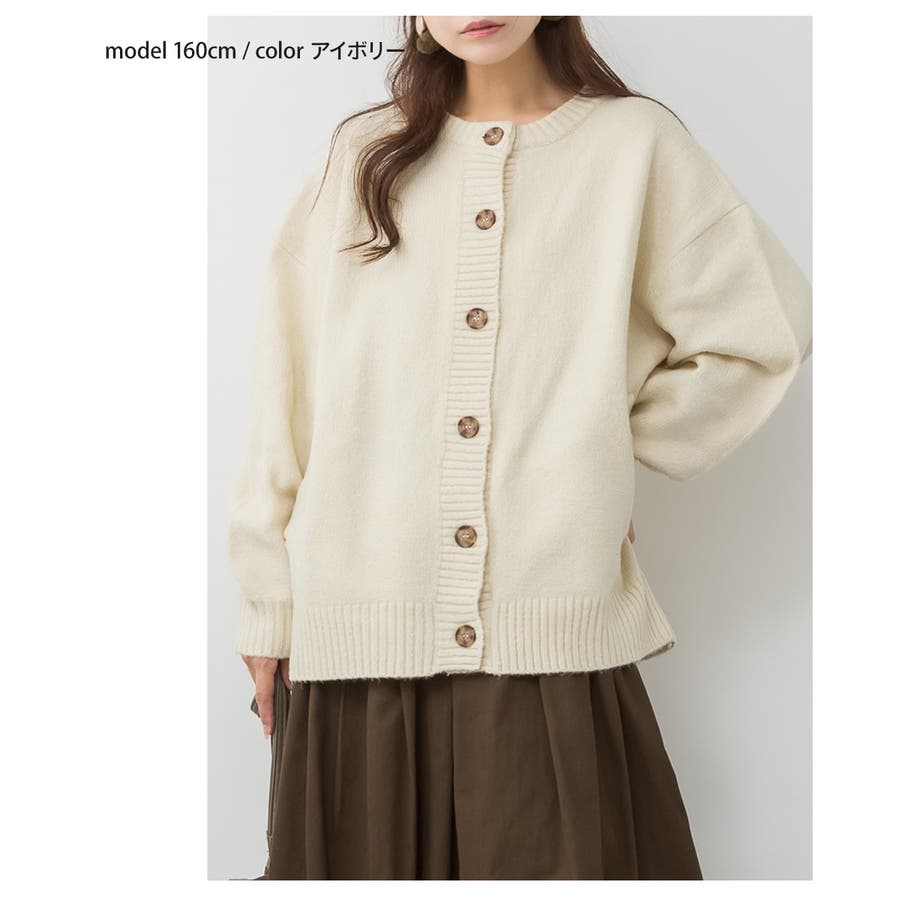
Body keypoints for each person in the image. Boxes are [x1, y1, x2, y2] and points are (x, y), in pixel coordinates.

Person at [228, 15, 812, 879]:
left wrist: (593, 454)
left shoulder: (634, 147)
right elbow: (287, 397)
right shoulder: (362, 155)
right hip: (356, 642)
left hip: (549, 654)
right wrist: (267, 604)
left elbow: (762, 332)